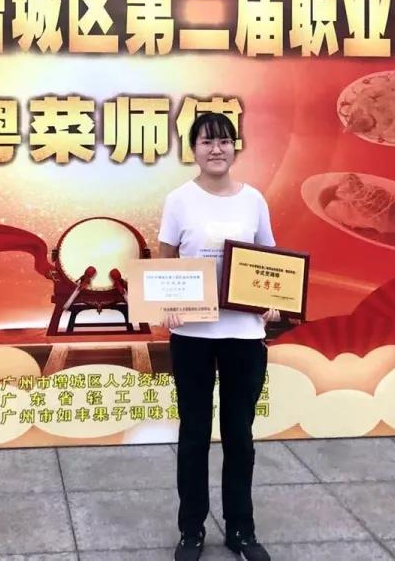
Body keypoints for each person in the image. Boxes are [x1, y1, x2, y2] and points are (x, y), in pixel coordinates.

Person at [159, 112, 280, 561]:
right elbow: (166, 259)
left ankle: (241, 529)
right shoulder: (179, 200)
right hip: (192, 334)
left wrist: (272, 301)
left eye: (225, 141)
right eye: (207, 142)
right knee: (194, 434)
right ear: (193, 149)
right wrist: (166, 303)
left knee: (239, 436)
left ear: (235, 147)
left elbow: (270, 261)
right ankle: (191, 529)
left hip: (244, 335)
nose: (216, 149)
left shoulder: (253, 200)